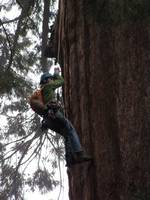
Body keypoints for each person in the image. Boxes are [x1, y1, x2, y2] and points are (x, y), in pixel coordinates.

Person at [29, 67, 92, 167]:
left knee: (67, 134)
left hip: (48, 120)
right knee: (70, 130)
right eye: (50, 79)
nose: (51, 80)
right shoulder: (48, 86)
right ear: (47, 80)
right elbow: (61, 81)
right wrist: (56, 73)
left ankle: (70, 159)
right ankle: (79, 154)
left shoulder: (42, 92)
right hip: (53, 113)